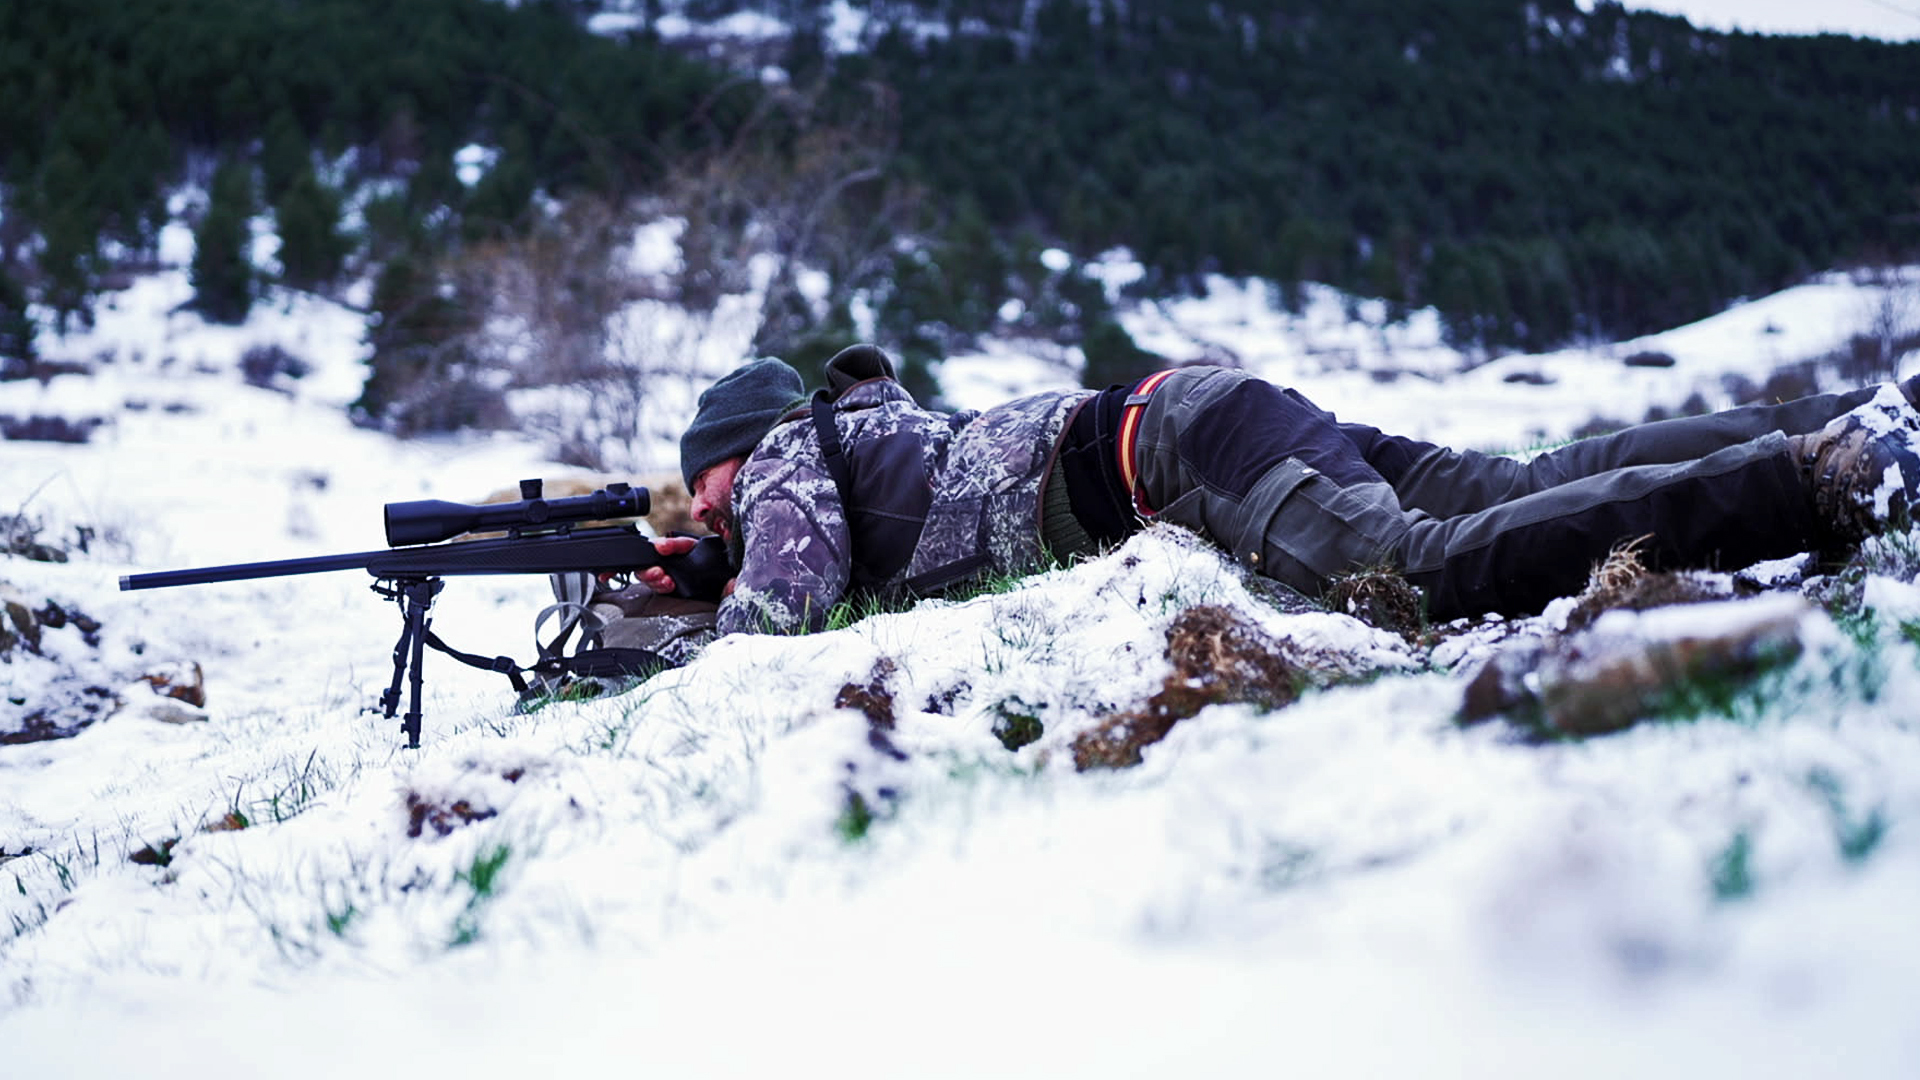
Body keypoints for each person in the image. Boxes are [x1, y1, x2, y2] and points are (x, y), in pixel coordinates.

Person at [606, 343, 1920, 663]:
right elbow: (817, 568)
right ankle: (1849, 419)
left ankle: (1820, 480)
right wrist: (711, 572)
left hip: (1177, 451)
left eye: (705, 486)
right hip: (1199, 412)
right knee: (1509, 489)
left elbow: (788, 608)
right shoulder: (860, 435)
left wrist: (691, 623)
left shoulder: (779, 458)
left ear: (732, 455)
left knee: (1420, 574)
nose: (711, 509)